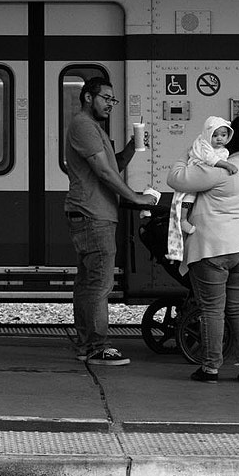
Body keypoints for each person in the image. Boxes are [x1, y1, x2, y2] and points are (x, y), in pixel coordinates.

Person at [165, 114, 239, 384]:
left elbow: (175, 178)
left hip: (214, 248)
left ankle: (210, 368)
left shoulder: (221, 169)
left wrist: (189, 151)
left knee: (212, 309)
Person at [63, 76, 158, 366]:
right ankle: (97, 346)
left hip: (92, 213)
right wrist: (137, 198)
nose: (110, 105)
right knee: (99, 285)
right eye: (106, 98)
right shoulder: (83, 126)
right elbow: (104, 172)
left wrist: (132, 147)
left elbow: (112, 165)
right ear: (88, 97)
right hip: (93, 215)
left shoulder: (94, 129)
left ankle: (85, 344)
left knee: (87, 284)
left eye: (113, 100)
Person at [166, 116, 237, 256]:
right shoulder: (204, 144)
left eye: (223, 135)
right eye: (215, 135)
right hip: (196, 170)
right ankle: (183, 219)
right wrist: (227, 165)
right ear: (207, 135)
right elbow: (211, 159)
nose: (219, 139)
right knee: (189, 196)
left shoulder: (222, 150)